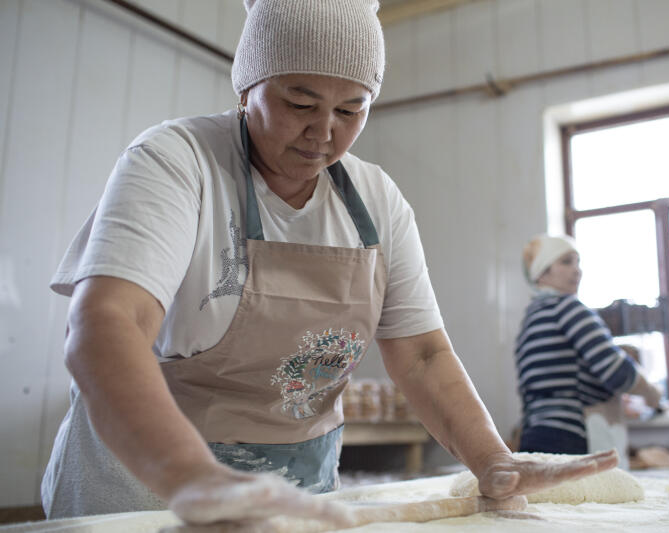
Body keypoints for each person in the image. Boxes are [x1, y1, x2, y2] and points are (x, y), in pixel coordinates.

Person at [41, 1, 619, 527]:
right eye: (299, 103)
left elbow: (421, 354)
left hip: (299, 490)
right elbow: (107, 326)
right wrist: (193, 479)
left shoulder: (376, 199)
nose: (323, 132)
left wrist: (494, 461)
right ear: (247, 87)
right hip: (148, 483)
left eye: (351, 108)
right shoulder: (176, 161)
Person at [516, 234, 662, 456]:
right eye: (566, 262)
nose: (577, 270)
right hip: (569, 437)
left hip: (534, 436)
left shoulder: (531, 317)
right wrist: (653, 394)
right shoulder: (568, 308)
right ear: (542, 272)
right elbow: (616, 371)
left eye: (578, 262)